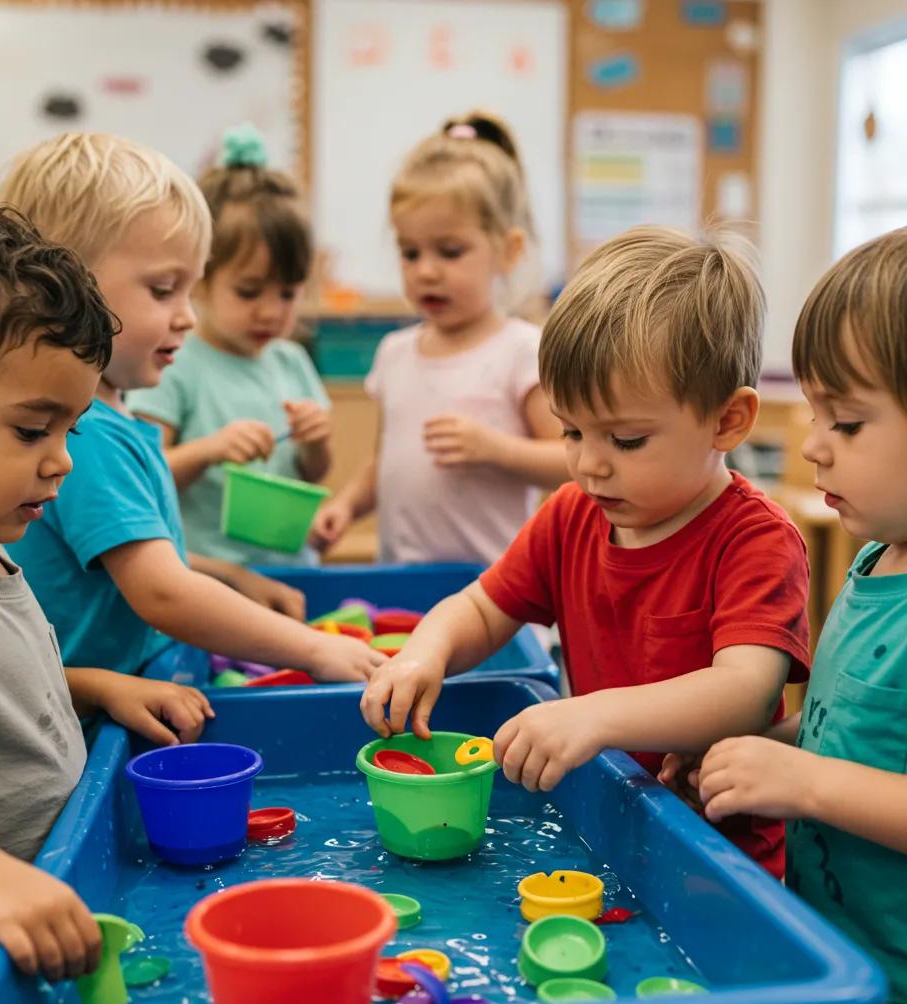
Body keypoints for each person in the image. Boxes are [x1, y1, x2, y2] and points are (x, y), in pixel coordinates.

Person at [359, 225, 811, 879]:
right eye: (571, 430)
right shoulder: (572, 514)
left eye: (625, 440)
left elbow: (742, 691)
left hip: (723, 859)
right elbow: (483, 609)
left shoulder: (755, 539)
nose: (590, 464)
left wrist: (592, 716)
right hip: (613, 823)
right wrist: (425, 652)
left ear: (728, 421)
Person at [0, 202, 211, 1004]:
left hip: (40, 944)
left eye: (71, 427)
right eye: (33, 429)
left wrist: (91, 686)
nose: (61, 460)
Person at [0, 133, 383, 682]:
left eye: (190, 291)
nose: (187, 318)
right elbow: (162, 592)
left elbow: (143, 559)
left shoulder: (109, 416)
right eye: (162, 291)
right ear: (62, 291)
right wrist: (313, 649)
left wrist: (230, 576)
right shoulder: (87, 435)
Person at [691, 228, 907, 1004]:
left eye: (845, 423)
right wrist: (759, 755)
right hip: (837, 961)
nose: (812, 446)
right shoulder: (877, 559)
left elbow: (835, 776)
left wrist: (805, 783)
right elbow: (856, 729)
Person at [312, 111, 569, 565]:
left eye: (450, 252)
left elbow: (573, 461)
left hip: (495, 597)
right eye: (410, 253)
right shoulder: (394, 354)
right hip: (400, 584)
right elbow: (387, 463)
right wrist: (347, 504)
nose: (426, 270)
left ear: (508, 250)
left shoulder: (521, 352)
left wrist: (498, 451)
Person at [130, 124, 331, 568]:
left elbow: (311, 474)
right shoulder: (172, 363)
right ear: (200, 278)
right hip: (208, 584)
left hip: (292, 574)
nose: (270, 312)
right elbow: (142, 477)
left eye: (287, 293)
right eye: (249, 291)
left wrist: (316, 443)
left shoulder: (292, 361)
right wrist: (208, 451)